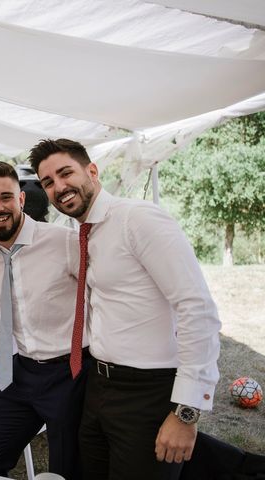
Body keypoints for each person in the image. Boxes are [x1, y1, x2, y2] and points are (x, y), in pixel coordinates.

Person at [29, 138, 221, 480]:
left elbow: (197, 308)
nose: (59, 187)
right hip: (99, 387)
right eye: (48, 182)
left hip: (149, 392)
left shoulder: (138, 219)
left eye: (65, 173)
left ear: (91, 170)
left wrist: (186, 411)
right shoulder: (82, 234)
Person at [0, 162, 87, 479]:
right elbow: (0, 318)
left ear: (21, 199)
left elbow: (104, 300)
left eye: (6, 197)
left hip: (71, 375)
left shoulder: (65, 242)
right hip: (19, 374)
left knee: (66, 470)